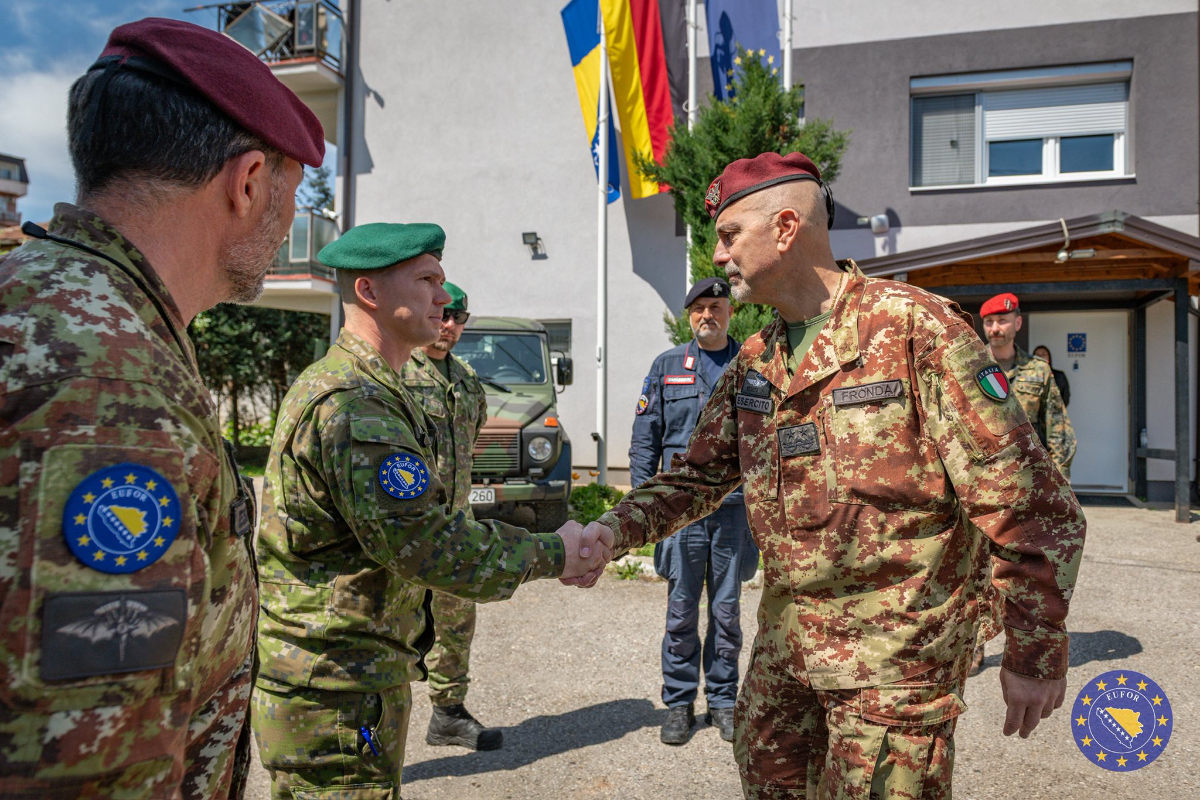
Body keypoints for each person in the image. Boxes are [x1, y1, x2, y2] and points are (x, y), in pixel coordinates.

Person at [570, 152, 1086, 799]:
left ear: (785, 228)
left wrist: (1034, 651)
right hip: (788, 656)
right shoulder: (756, 361)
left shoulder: (915, 331)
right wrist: (609, 532)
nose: (719, 257)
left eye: (730, 236)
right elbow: (697, 478)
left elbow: (1030, 502)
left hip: (895, 669)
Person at [0, 18, 321, 797]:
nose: (285, 231)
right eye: (290, 198)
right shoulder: (108, 381)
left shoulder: (58, 304)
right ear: (248, 184)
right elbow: (85, 759)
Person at [251, 223, 611, 798]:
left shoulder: (377, 388)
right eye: (427, 281)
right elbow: (427, 543)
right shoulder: (354, 403)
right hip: (334, 683)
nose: (444, 300)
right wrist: (555, 553)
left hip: (350, 673)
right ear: (370, 293)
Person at [630, 276, 758, 745]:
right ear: (689, 315)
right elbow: (645, 441)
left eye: (717, 306)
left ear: (731, 312)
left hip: (733, 510)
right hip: (679, 511)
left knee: (727, 612)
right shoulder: (667, 366)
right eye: (700, 307)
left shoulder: (753, 365)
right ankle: (680, 703)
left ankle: (723, 702)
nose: (709, 314)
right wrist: (644, 511)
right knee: (681, 611)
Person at [398, 281, 500, 750]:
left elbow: (472, 438)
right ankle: (376, 727)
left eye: (459, 318)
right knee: (395, 622)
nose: (449, 326)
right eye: (443, 316)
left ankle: (448, 714)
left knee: (457, 621)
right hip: (406, 531)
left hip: (455, 527)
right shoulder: (397, 374)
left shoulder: (466, 380)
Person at [980, 294, 1075, 478]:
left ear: (1017, 323)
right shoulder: (970, 368)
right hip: (984, 478)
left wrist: (1058, 479)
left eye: (1002, 320)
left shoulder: (1039, 369)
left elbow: (1058, 428)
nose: (995, 328)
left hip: (1031, 475)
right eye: (989, 322)